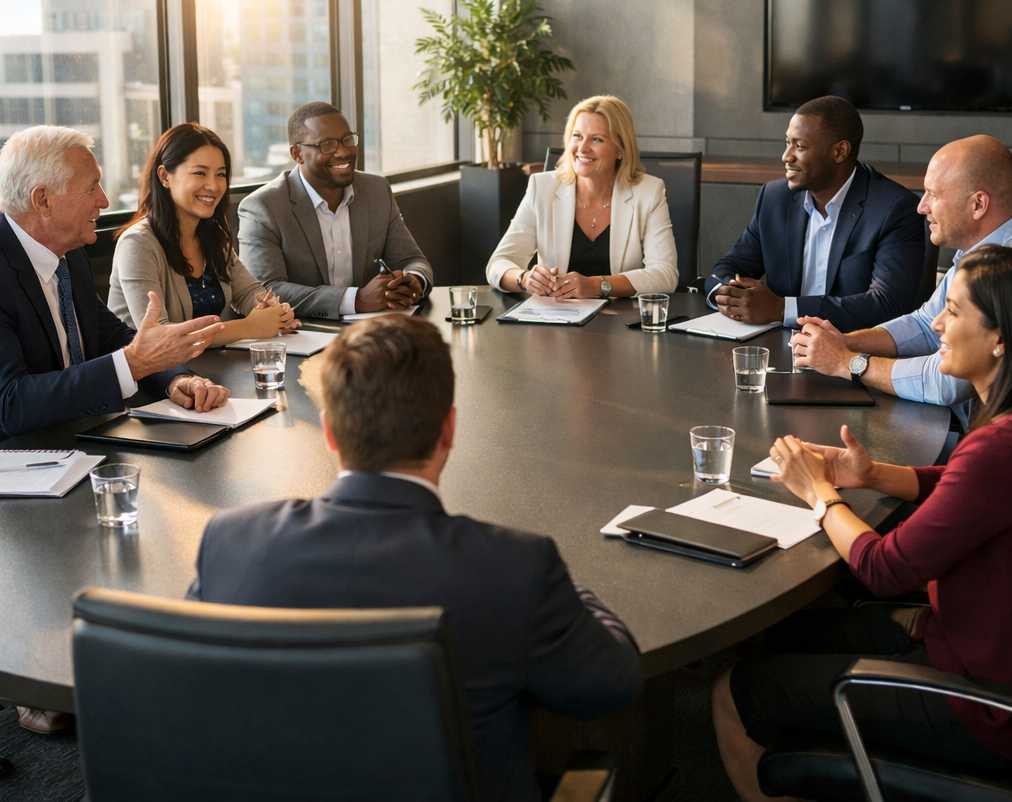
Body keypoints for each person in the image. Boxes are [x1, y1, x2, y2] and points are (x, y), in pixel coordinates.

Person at [186, 315, 643, 802]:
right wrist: (563, 583)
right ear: (448, 429)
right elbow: (612, 685)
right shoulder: (513, 569)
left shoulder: (231, 542)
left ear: (331, 432)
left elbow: (191, 698)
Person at [712, 243, 1012, 802]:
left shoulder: (996, 445)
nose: (939, 323)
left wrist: (820, 492)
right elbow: (966, 486)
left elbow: (882, 568)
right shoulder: (998, 431)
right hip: (965, 637)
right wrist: (873, 475)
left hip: (985, 704)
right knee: (768, 637)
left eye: (954, 310)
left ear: (999, 338)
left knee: (737, 689)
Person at [0, 125, 230, 744]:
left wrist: (172, 376)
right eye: (92, 187)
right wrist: (136, 366)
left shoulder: (65, 253)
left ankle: (124, 658)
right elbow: (8, 404)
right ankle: (36, 673)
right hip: (10, 465)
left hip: (75, 445)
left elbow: (110, 339)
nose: (104, 199)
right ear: (42, 201)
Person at [790, 135, 1012, 427]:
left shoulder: (1001, 271)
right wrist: (847, 341)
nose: (922, 207)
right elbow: (924, 324)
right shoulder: (974, 251)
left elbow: (946, 384)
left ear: (978, 204)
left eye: (934, 194)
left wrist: (847, 363)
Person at [705, 96, 924, 333]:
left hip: (853, 351)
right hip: (779, 346)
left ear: (840, 151)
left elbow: (887, 304)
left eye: (799, 146)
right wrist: (728, 293)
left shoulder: (895, 208)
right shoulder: (775, 198)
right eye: (787, 143)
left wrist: (781, 309)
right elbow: (729, 267)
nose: (786, 156)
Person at [237, 102, 433, 321]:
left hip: (371, 334)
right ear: (297, 153)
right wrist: (355, 300)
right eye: (327, 144)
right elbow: (265, 291)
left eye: (347, 139)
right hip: (302, 334)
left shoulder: (376, 189)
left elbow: (413, 259)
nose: (343, 152)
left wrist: (414, 281)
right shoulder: (263, 207)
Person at [109, 123, 299, 344]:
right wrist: (248, 327)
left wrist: (274, 312)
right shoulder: (137, 243)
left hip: (210, 367)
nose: (214, 186)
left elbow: (250, 293)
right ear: (164, 176)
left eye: (221, 175)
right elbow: (158, 337)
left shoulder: (212, 235)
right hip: (151, 376)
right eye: (200, 173)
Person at [487, 95, 678, 298]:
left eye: (597, 139)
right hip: (555, 320)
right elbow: (498, 263)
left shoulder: (649, 192)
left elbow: (665, 275)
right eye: (577, 135)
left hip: (621, 322)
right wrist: (524, 279)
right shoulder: (542, 188)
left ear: (621, 149)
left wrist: (597, 285)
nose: (582, 148)